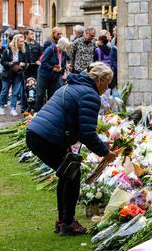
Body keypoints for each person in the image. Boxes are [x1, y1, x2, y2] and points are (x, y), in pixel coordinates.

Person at [26, 62, 120, 235]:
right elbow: (87, 133)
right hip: (47, 137)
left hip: (36, 133)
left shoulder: (71, 85)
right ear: (99, 80)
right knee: (72, 174)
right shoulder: (90, 95)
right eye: (107, 83)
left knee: (67, 173)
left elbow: (80, 127)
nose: (107, 88)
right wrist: (106, 154)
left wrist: (101, 146)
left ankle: (63, 221)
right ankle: (67, 223)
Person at [35, 37, 70, 112]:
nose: (67, 49)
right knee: (40, 93)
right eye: (66, 47)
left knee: (53, 94)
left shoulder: (63, 52)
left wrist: (62, 68)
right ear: (62, 45)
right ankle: (37, 111)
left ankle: (50, 111)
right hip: (44, 74)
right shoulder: (51, 49)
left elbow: (63, 64)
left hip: (55, 76)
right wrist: (52, 68)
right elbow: (43, 62)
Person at [0, 34, 27, 116]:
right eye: (20, 41)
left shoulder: (23, 51)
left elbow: (26, 63)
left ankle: (13, 108)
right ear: (16, 41)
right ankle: (1, 106)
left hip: (18, 74)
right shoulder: (7, 50)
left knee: (15, 92)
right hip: (7, 73)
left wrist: (23, 64)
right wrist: (11, 63)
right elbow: (2, 62)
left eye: (23, 41)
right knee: (5, 90)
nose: (22, 43)